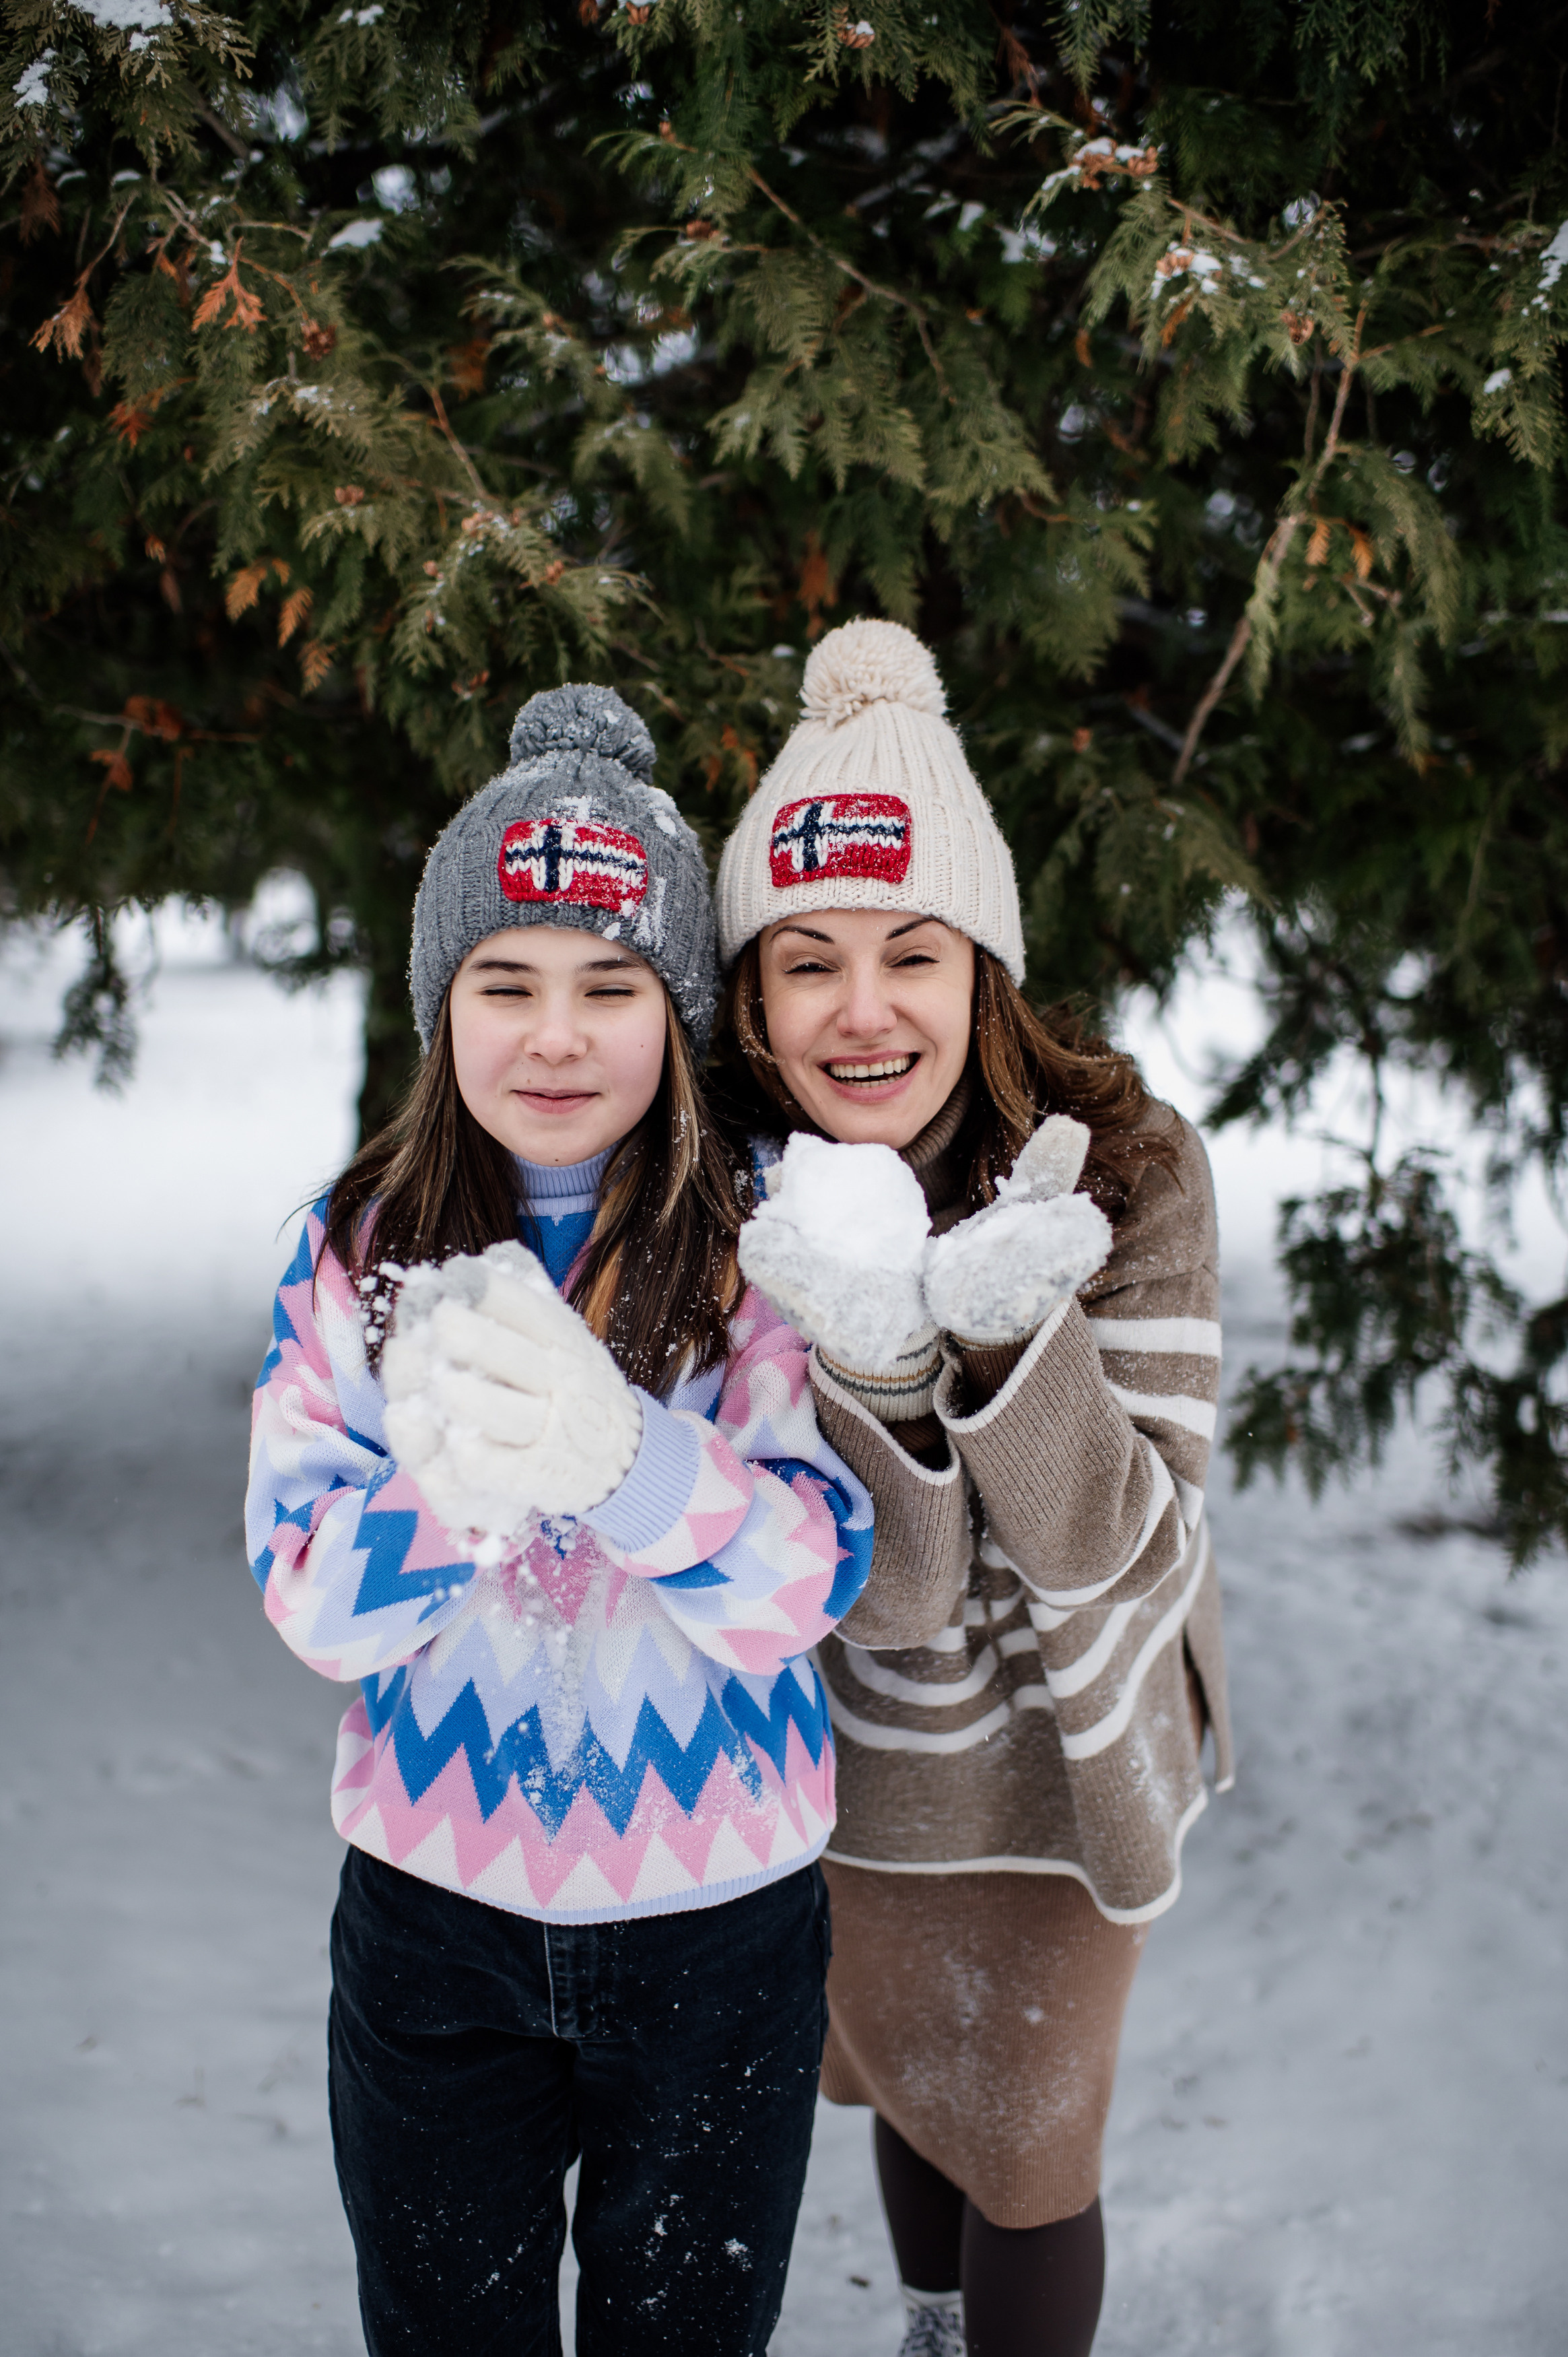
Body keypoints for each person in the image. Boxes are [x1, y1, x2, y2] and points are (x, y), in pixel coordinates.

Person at [244, 684, 875, 2357]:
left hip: (719, 1928)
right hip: (434, 1923)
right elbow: (308, 1595)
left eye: (611, 986)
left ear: (673, 1014)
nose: (554, 1032)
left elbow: (811, 1576)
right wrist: (459, 1480)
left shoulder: (769, 1241)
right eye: (503, 981)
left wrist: (624, 1458)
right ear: (440, 1007)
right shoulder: (354, 1250)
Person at [712, 620, 1235, 2357]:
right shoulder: (738, 1193)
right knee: (900, 2074)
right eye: (808, 962)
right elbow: (895, 1595)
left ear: (983, 970)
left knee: (1029, 2131)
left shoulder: (1130, 1167)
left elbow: (1114, 1542)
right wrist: (866, 1359)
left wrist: (1016, 1344)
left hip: (1066, 1753)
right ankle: (926, 2329)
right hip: (852, 1754)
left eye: (912, 954)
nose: (864, 1012)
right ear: (751, 996)